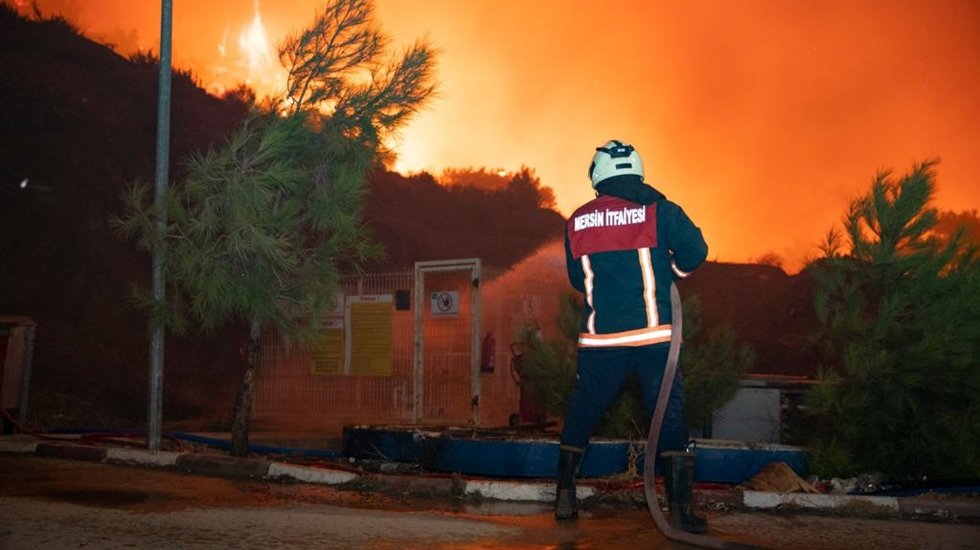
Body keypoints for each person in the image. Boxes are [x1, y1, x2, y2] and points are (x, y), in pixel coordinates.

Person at [556, 139, 708, 533]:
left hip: (600, 341)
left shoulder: (577, 220)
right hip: (654, 339)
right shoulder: (659, 210)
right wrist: (667, 273)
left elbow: (578, 279)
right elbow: (695, 251)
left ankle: (564, 497)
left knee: (583, 411)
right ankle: (678, 510)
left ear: (598, 175)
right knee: (669, 415)